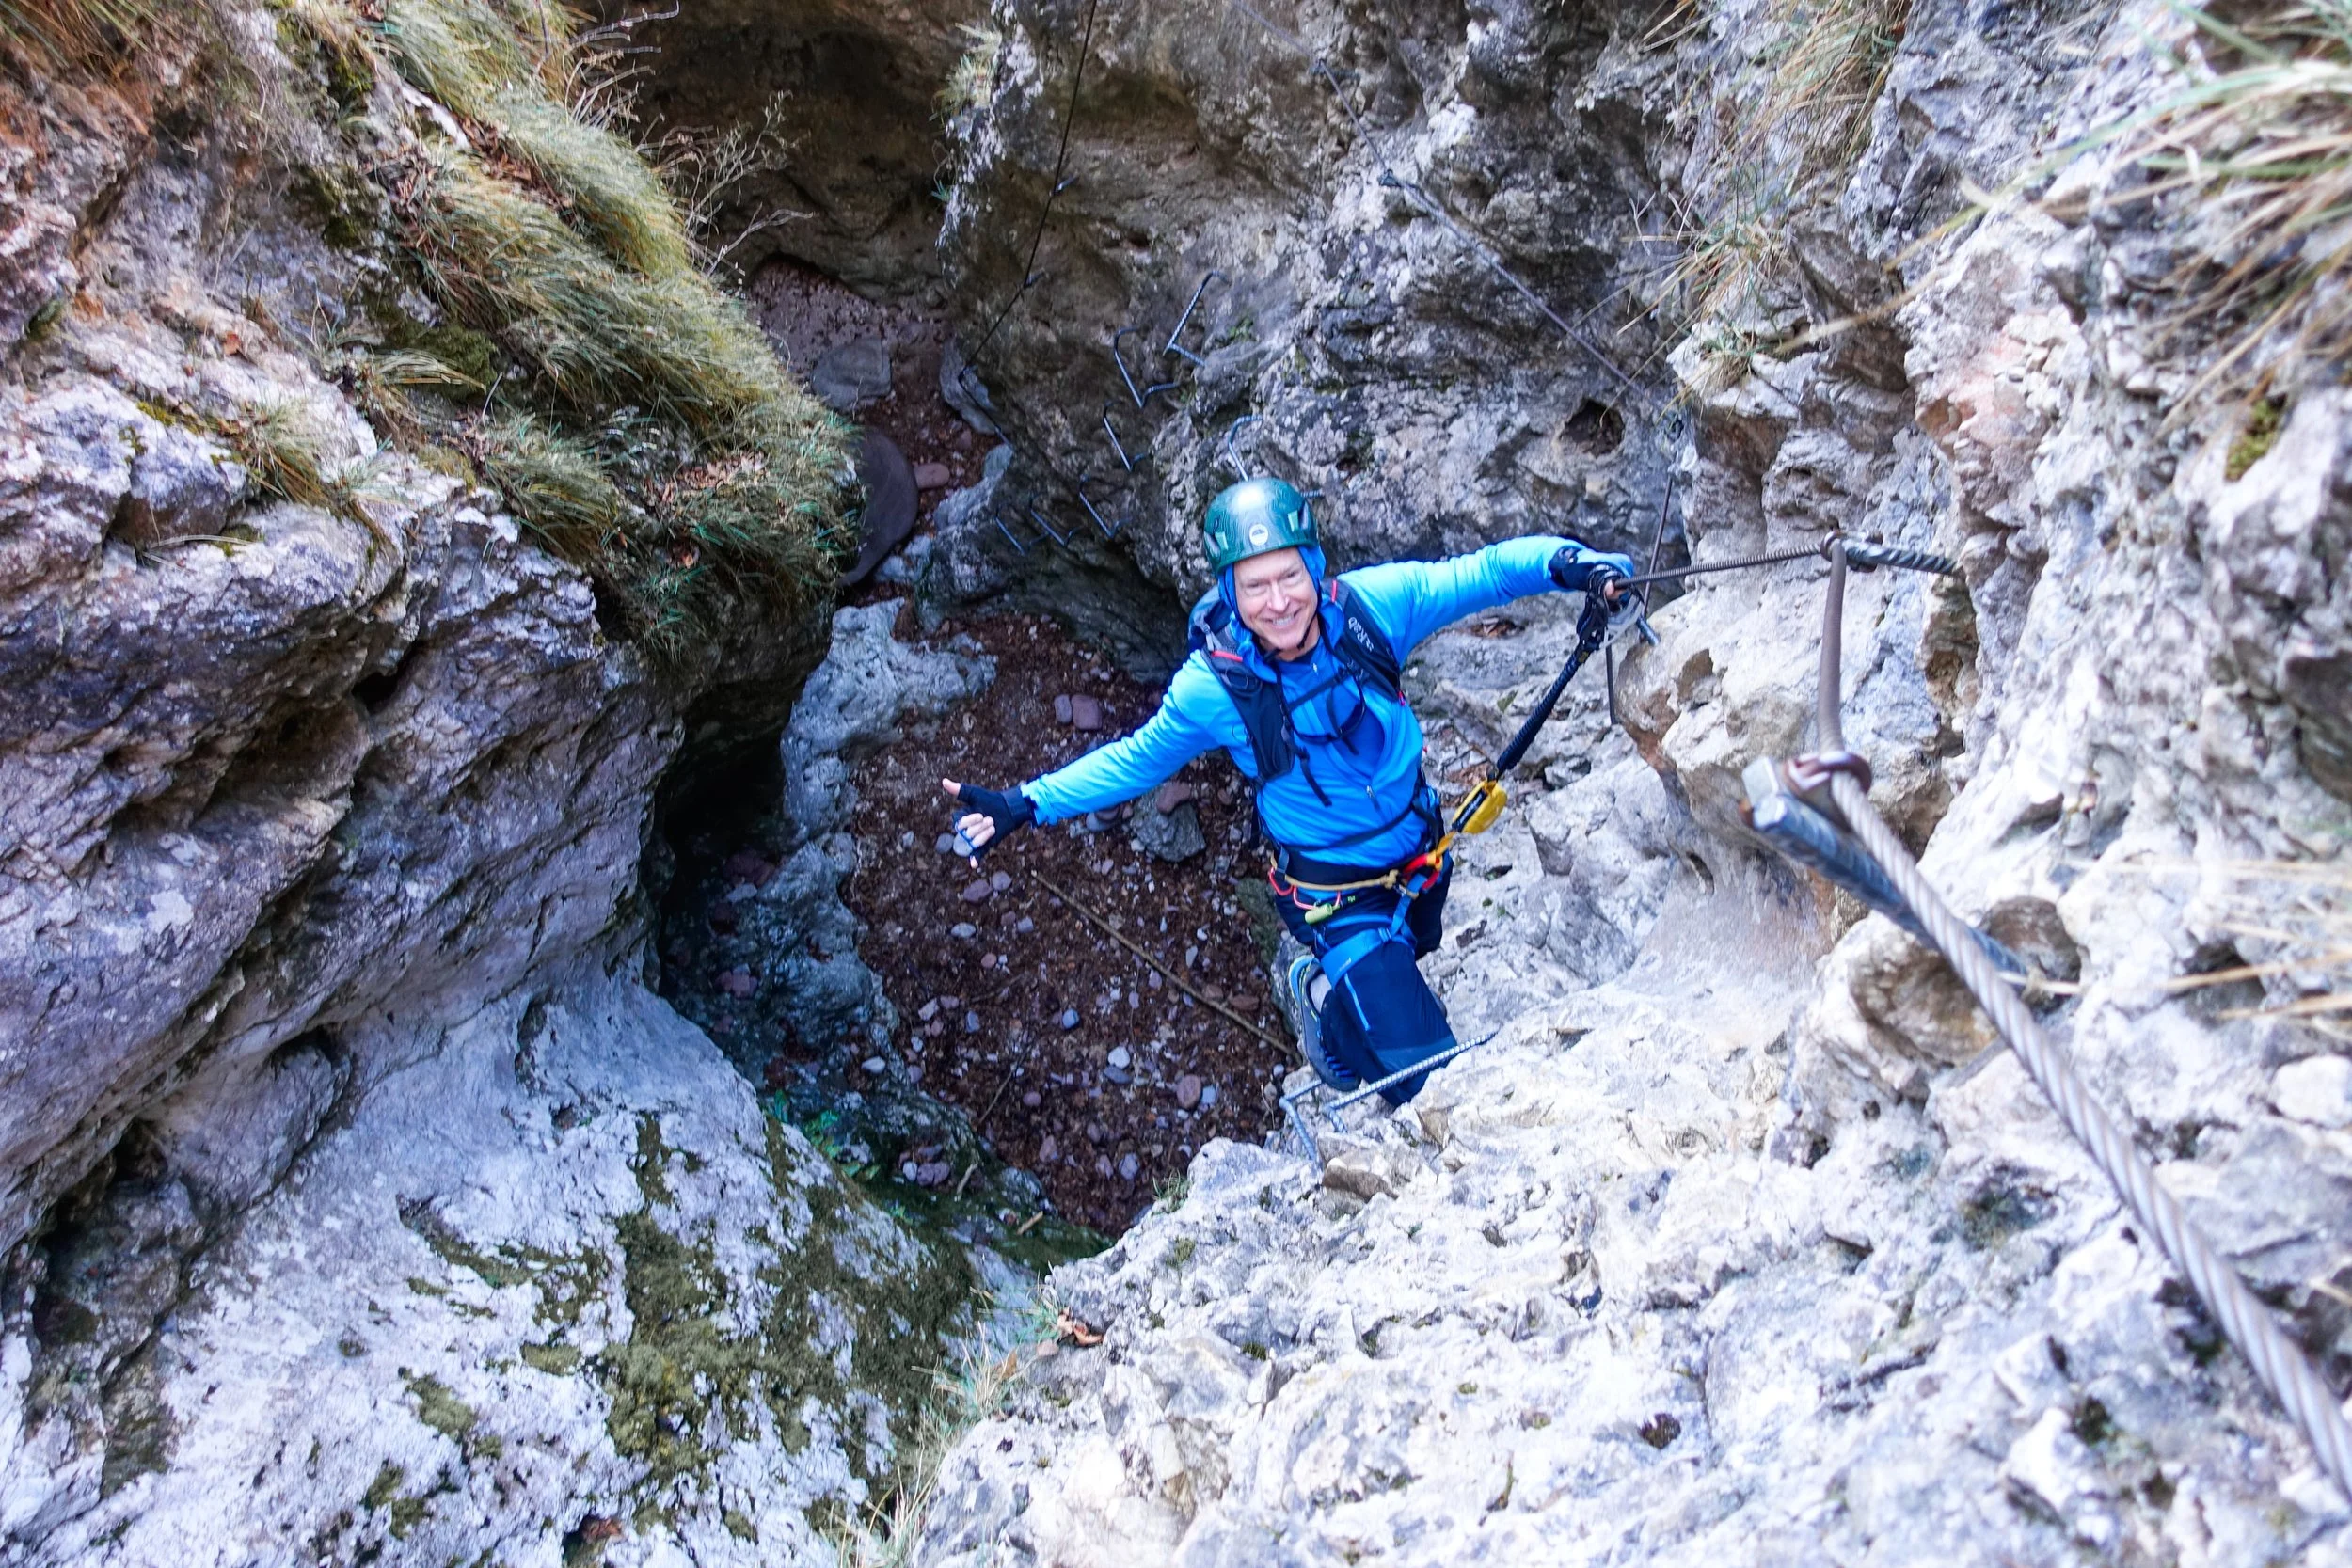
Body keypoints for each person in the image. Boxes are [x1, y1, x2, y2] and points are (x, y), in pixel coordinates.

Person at [943, 476, 1634, 1103]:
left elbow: (1482, 574)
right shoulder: (1214, 688)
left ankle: (1343, 996)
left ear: (1314, 566)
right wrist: (1025, 802)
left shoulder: (1372, 612)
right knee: (1424, 1082)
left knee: (1419, 948)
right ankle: (1329, 1019)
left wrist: (1577, 566)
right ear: (1232, 595)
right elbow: (1136, 760)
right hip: (1334, 894)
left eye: (1288, 576)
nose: (1277, 602)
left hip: (1423, 851)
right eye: (1254, 586)